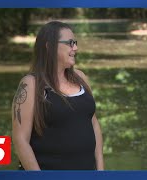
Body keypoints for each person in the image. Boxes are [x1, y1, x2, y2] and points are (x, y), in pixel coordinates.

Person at [12, 21, 104, 170]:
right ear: (50, 47)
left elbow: (93, 123)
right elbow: (20, 140)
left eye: (75, 43)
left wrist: (100, 171)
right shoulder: (31, 84)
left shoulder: (81, 78)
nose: (75, 48)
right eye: (70, 43)